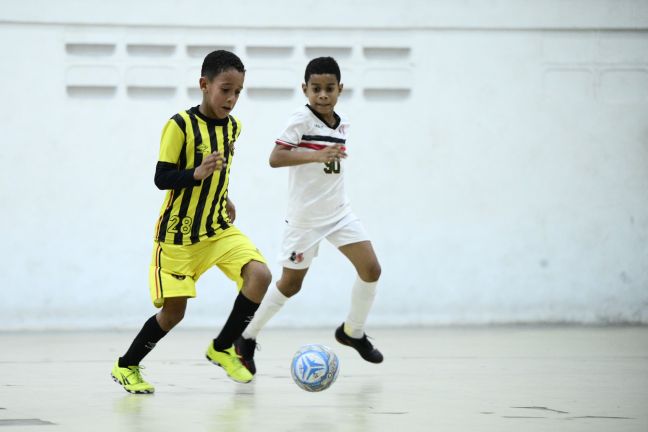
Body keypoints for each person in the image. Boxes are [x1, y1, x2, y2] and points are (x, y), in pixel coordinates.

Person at [110, 50, 271, 394]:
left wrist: (223, 197)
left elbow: (220, 170)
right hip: (179, 237)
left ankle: (223, 346)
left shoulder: (233, 127)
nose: (232, 98)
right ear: (204, 84)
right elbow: (162, 177)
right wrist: (196, 175)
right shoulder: (179, 126)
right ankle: (126, 365)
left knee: (260, 274)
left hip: (216, 227)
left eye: (238, 91)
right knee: (173, 315)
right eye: (225, 89)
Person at [234, 56, 383, 376]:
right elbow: (275, 157)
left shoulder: (342, 124)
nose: (323, 95)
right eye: (316, 89)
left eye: (329, 88)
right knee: (290, 285)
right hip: (303, 220)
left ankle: (352, 332)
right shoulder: (300, 120)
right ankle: (245, 336)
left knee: (371, 269)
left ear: (340, 89)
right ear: (305, 89)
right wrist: (315, 154)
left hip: (339, 214)